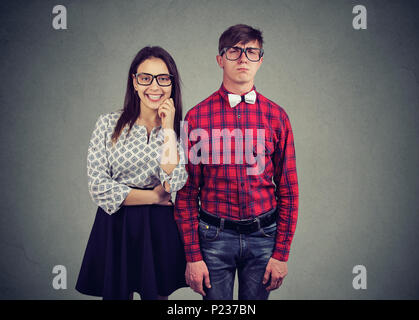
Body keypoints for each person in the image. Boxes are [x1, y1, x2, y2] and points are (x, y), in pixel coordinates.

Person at [175, 24, 299, 300]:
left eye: (251, 51)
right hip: (213, 238)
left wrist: (281, 253)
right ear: (220, 59)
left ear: (260, 60)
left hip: (263, 237)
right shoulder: (196, 118)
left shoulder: (277, 117)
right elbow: (186, 193)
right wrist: (193, 256)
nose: (243, 58)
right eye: (234, 51)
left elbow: (289, 190)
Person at [76, 46, 188, 300]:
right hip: (115, 224)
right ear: (134, 82)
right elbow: (99, 187)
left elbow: (174, 183)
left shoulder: (180, 131)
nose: (154, 86)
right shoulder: (107, 123)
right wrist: (153, 197)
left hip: (158, 229)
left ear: (171, 84)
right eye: (145, 78)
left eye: (163, 78)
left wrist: (169, 128)